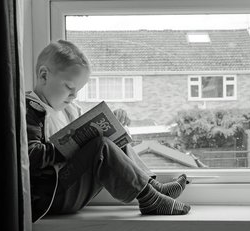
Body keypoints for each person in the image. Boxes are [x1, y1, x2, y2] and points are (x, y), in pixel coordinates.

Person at [26, 39, 191, 223]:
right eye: (69, 87)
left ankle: (152, 187)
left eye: (78, 90)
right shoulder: (31, 109)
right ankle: (149, 199)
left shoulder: (69, 108)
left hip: (69, 185)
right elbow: (31, 155)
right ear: (43, 76)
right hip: (52, 195)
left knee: (109, 137)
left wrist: (113, 119)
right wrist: (70, 145)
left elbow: (89, 130)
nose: (74, 96)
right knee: (101, 145)